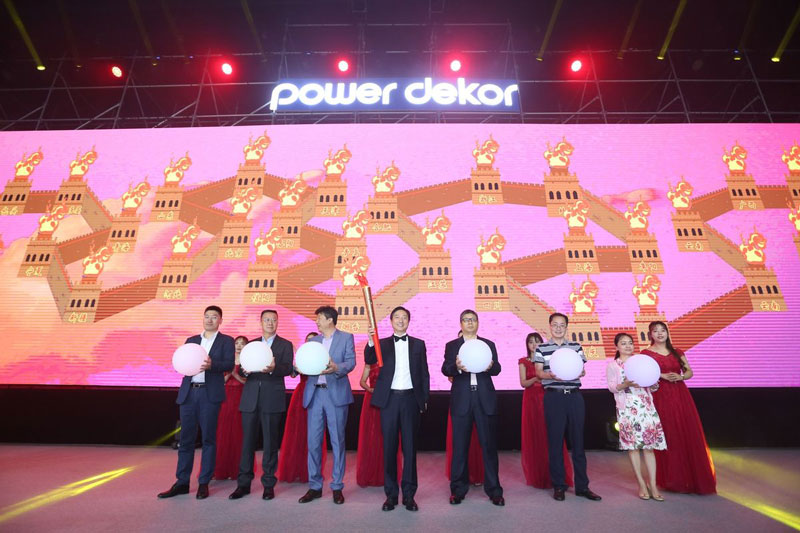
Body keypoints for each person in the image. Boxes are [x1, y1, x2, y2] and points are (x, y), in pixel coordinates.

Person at [158, 305, 235, 500]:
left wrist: (212, 365)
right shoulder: (191, 341)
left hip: (210, 395)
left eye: (214, 317)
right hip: (189, 394)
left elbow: (229, 364)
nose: (210, 320)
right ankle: (182, 482)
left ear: (220, 320)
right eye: (207, 316)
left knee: (209, 439)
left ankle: (204, 482)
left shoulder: (226, 341)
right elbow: (182, 362)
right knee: (186, 440)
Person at [364, 306, 430, 512]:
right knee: (389, 448)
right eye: (397, 317)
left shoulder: (419, 344)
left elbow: (424, 373)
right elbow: (369, 359)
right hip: (390, 400)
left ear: (409, 321)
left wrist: (423, 400)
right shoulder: (382, 344)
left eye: (404, 317)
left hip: (411, 399)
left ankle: (409, 495)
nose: (401, 320)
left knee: (410, 449)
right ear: (391, 321)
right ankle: (391, 495)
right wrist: (370, 341)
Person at [642, 321, 716, 494]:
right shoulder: (646, 354)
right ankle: (673, 479)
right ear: (650, 335)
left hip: (680, 395)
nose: (660, 334)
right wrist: (661, 375)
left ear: (667, 333)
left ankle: (691, 479)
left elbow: (689, 371)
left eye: (663, 330)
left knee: (686, 433)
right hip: (660, 396)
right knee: (669, 435)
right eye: (655, 331)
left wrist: (681, 377)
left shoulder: (677, 352)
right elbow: (644, 374)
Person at [534, 312, 601, 502]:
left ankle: (583, 487)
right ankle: (559, 485)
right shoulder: (541, 348)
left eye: (562, 325)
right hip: (554, 397)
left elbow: (582, 370)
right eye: (555, 325)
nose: (558, 328)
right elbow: (538, 373)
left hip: (574, 397)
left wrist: (578, 371)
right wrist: (551, 375)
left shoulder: (575, 347)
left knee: (578, 443)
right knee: (555, 443)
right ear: (549, 326)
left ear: (566, 327)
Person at [229, 310, 293, 501]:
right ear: (261, 322)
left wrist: (274, 369)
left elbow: (288, 368)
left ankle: (268, 484)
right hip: (250, 398)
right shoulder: (251, 345)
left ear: (278, 322)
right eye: (266, 320)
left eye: (273, 320)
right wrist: (245, 371)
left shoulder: (285, 344)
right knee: (247, 443)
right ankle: (243, 484)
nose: (270, 323)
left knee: (270, 443)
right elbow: (242, 369)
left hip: (272, 398)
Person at [442, 309, 504, 506]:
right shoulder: (452, 346)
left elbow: (498, 369)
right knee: (460, 448)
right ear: (461, 324)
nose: (470, 323)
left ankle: (494, 490)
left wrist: (491, 366)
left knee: (489, 447)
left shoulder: (488, 344)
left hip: (484, 399)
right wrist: (457, 367)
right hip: (462, 399)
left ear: (478, 323)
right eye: (466, 320)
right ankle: (458, 490)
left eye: (473, 320)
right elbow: (445, 369)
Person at [299, 306, 356, 505]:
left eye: (319, 318)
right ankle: (314, 486)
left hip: (336, 395)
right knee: (313, 442)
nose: (317, 322)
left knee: (338, 441)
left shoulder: (346, 338)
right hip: (315, 395)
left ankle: (337, 486)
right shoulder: (313, 342)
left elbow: (351, 362)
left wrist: (336, 367)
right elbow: (304, 363)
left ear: (330, 319)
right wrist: (298, 365)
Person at [606, 332, 666, 500]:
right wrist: (624, 384)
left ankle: (653, 484)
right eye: (623, 343)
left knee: (649, 447)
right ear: (617, 346)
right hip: (627, 409)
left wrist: (653, 383)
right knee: (633, 447)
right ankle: (641, 484)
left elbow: (652, 386)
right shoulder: (613, 365)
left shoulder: (641, 362)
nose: (628, 346)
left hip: (646, 406)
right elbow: (611, 387)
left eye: (630, 343)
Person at [519, 332, 573, 489]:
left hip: (548, 397)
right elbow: (523, 383)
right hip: (531, 400)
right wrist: (536, 378)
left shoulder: (548, 359)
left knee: (552, 434)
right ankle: (539, 475)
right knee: (535, 434)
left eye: (537, 341)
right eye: (531, 342)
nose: (534, 345)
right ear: (527, 345)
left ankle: (557, 475)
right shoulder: (523, 361)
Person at [277, 332, 326, 483]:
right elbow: (292, 375)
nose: (310, 342)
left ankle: (311, 472)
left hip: (318, 393)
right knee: (296, 431)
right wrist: (296, 365)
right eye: (308, 340)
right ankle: (294, 469)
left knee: (315, 433)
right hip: (301, 395)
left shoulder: (323, 356)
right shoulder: (300, 356)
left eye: (313, 340)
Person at [213, 335, 248, 480]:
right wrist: (229, 375)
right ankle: (220, 468)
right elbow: (220, 381)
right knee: (223, 430)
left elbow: (247, 382)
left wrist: (235, 374)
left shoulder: (248, 361)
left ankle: (237, 468)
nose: (239, 346)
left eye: (242, 343)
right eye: (237, 343)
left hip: (241, 396)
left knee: (239, 431)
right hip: (226, 396)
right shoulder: (227, 361)